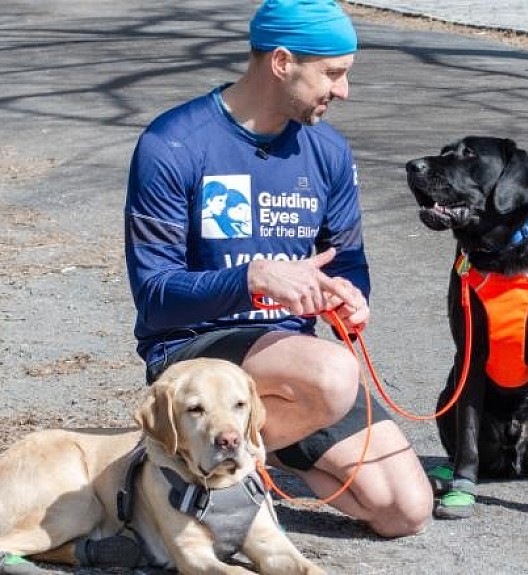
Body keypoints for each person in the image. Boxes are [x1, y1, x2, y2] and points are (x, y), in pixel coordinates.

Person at [124, 0, 432, 537]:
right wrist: (253, 278)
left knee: (404, 509)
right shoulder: (172, 143)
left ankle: (241, 456)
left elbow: (346, 259)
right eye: (332, 74)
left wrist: (348, 295)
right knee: (334, 374)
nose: (343, 90)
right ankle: (179, 464)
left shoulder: (328, 150)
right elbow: (155, 296)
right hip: (194, 350)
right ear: (282, 62)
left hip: (293, 374)